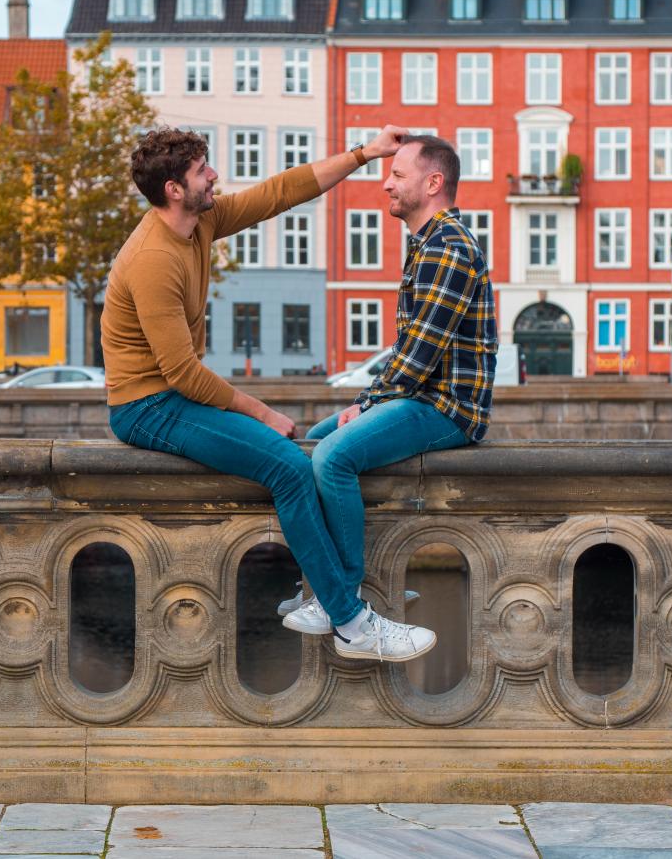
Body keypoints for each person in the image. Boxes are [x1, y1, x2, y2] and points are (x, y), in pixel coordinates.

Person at [105, 125, 436, 662]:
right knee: (286, 465)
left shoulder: (200, 221)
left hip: (168, 395)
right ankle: (352, 624)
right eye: (201, 170)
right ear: (173, 189)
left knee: (305, 459)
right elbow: (183, 373)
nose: (214, 176)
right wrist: (260, 412)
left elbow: (281, 192)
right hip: (146, 406)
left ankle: (328, 596)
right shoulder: (152, 258)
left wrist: (363, 153)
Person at [280, 135, 498, 639]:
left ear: (433, 182)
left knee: (332, 457)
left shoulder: (450, 247)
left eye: (397, 175)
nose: (386, 184)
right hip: (418, 397)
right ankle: (331, 583)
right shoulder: (428, 244)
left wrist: (369, 401)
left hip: (446, 408)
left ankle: (343, 600)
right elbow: (410, 353)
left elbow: (420, 353)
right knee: (316, 437)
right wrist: (367, 402)